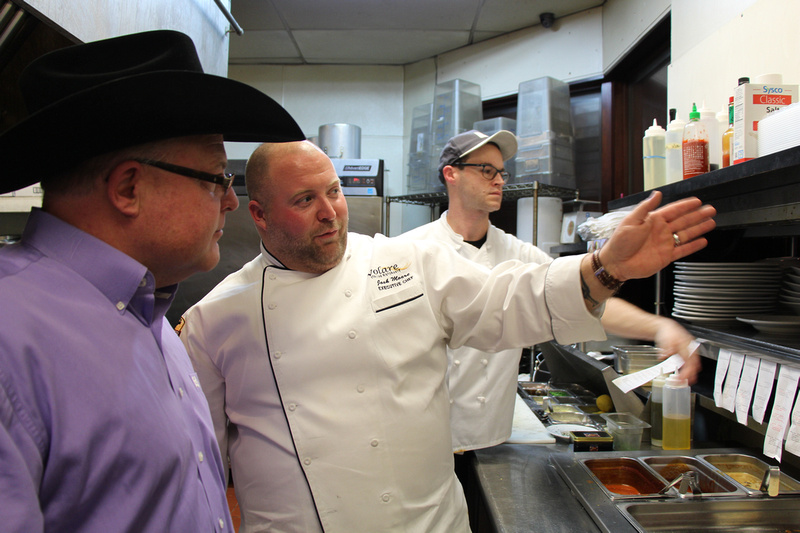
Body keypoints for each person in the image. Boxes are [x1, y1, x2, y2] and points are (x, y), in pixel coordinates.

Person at [178, 140, 714, 532]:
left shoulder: (405, 260)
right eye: (304, 201)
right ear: (259, 214)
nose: (330, 213)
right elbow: (200, 467)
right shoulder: (215, 319)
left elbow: (511, 300)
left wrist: (604, 268)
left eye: (335, 192)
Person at [0, 30, 304, 532]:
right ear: (129, 187)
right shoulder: (13, 339)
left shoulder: (151, 320)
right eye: (215, 177)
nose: (230, 202)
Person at [400, 129, 701, 453]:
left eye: (502, 172)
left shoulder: (519, 253)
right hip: (428, 442)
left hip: (493, 437)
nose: (499, 180)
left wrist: (659, 325)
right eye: (487, 170)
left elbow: (581, 296)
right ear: (451, 174)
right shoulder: (411, 251)